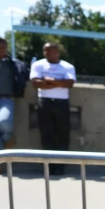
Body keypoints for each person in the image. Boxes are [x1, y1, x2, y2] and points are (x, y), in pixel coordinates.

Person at [29, 42, 75, 175]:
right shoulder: (38, 65)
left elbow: (70, 83)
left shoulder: (67, 66)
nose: (48, 53)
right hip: (45, 102)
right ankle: (49, 165)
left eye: (51, 50)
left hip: (62, 103)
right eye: (45, 51)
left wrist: (51, 81)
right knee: (46, 135)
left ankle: (61, 166)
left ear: (57, 52)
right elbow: (36, 83)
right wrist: (58, 83)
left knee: (63, 135)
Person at [0, 37, 29, 173]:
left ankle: (8, 139)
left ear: (7, 48)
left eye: (2, 47)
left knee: (4, 122)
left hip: (7, 99)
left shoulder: (14, 64)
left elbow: (26, 74)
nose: (0, 49)